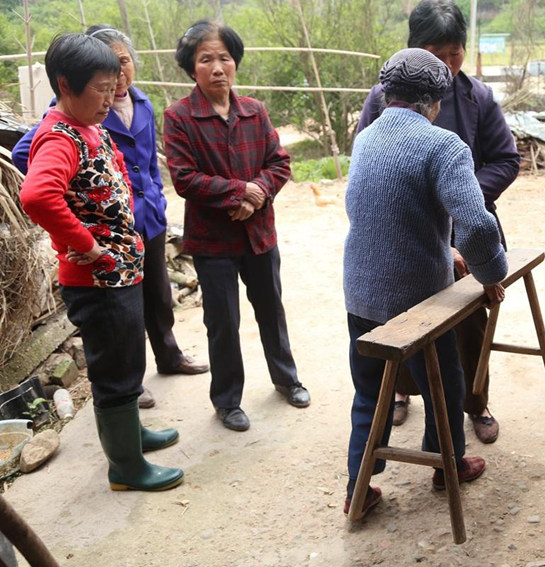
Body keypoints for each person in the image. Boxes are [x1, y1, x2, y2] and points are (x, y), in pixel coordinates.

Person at [343, 48, 508, 517]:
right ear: (434, 102)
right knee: (444, 383)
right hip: (419, 298)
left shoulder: (366, 140)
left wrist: (444, 250)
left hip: (361, 291)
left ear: (386, 94)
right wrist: (490, 273)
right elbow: (476, 226)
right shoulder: (444, 145)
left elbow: (380, 214)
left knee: (368, 392)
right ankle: (447, 464)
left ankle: (359, 489)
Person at [12, 25, 210, 411]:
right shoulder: (65, 126)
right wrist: (82, 218)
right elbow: (32, 175)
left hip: (145, 222)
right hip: (104, 249)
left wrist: (151, 194)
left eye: (124, 65)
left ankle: (164, 361)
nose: (117, 81)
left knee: (157, 298)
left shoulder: (134, 105)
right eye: (106, 77)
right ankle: (129, 405)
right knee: (119, 334)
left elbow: (147, 159)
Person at [19, 33, 183, 491]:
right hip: (97, 278)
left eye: (115, 88)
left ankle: (132, 439)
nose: (111, 98)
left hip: (119, 271)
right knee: (114, 368)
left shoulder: (90, 125)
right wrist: (88, 245)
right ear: (65, 85)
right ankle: (125, 468)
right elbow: (36, 195)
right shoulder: (58, 135)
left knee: (128, 360)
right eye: (101, 89)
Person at [357, 0, 520, 444]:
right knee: (398, 318)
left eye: (455, 53)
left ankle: (475, 402)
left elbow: (505, 160)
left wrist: (458, 197)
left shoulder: (477, 97)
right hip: (408, 236)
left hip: (466, 232)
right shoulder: (382, 100)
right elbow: (367, 168)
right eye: (436, 53)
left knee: (468, 328)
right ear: (414, 52)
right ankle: (401, 394)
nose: (448, 65)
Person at [163, 20, 309, 432]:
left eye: (224, 58)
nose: (217, 67)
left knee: (270, 311)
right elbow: (184, 177)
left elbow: (279, 163)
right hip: (214, 242)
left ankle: (287, 379)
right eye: (205, 59)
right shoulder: (179, 117)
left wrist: (258, 192)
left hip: (259, 234)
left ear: (235, 62)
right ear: (192, 69)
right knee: (223, 322)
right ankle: (227, 401)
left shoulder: (254, 110)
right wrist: (239, 192)